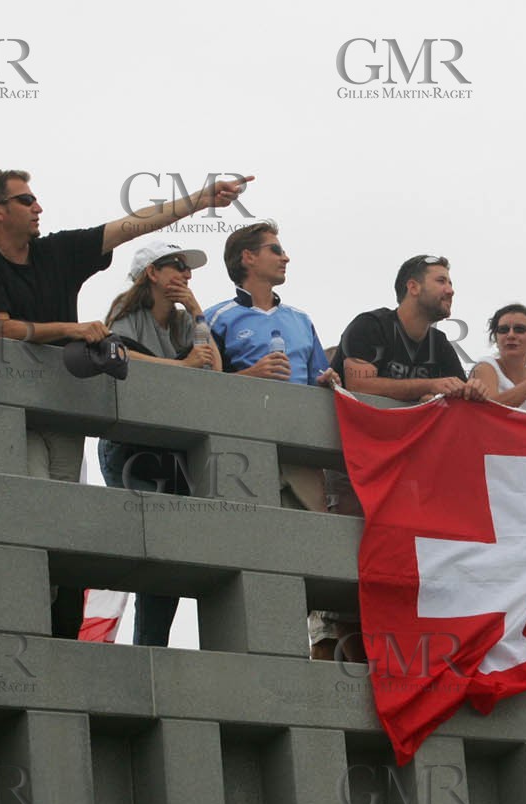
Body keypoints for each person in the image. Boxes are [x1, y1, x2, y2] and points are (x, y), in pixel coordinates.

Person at [0, 166, 249, 638]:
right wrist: (73, 330)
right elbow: (5, 327)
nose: (38, 208)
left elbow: (133, 224)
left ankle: (59, 634)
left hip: (66, 411)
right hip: (11, 413)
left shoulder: (56, 251)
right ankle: (22, 631)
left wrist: (201, 199)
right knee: (35, 515)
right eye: (26, 200)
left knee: (63, 525)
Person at [94, 240, 221, 646]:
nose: (186, 275)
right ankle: (141, 650)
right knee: (153, 548)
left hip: (171, 455)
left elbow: (214, 368)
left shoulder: (186, 322)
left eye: (188, 269)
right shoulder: (125, 313)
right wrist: (179, 366)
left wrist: (199, 312)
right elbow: (118, 355)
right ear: (152, 273)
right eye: (177, 267)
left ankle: (152, 650)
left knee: (171, 559)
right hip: (130, 450)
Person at [336, 254, 484, 401]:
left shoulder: (439, 343)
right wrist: (430, 386)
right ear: (413, 287)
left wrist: (473, 391)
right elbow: (359, 387)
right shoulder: (371, 325)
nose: (451, 291)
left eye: (450, 284)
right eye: (441, 281)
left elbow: (462, 399)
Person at [205, 221, 336, 387]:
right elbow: (200, 386)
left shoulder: (302, 320)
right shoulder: (214, 318)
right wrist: (250, 375)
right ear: (249, 257)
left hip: (297, 412)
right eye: (276, 250)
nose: (286, 258)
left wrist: (328, 383)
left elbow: (318, 382)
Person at [469, 303, 526, 414]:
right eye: (503, 330)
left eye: (519, 329)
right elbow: (489, 411)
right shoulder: (485, 367)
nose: (511, 335)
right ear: (495, 338)